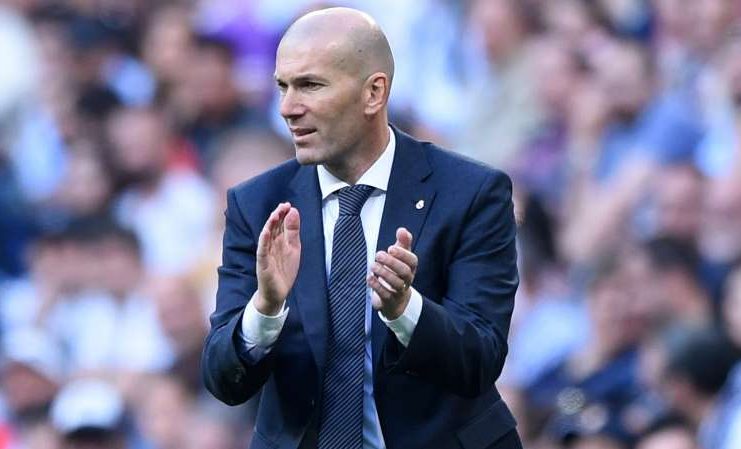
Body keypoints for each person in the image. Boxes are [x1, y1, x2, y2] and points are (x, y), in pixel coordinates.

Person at [201, 7, 520, 449]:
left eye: (310, 85)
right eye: (283, 86)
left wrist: (405, 309)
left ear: (374, 93)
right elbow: (222, 380)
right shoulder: (257, 205)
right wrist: (266, 309)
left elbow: (481, 360)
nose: (288, 108)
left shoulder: (470, 193)